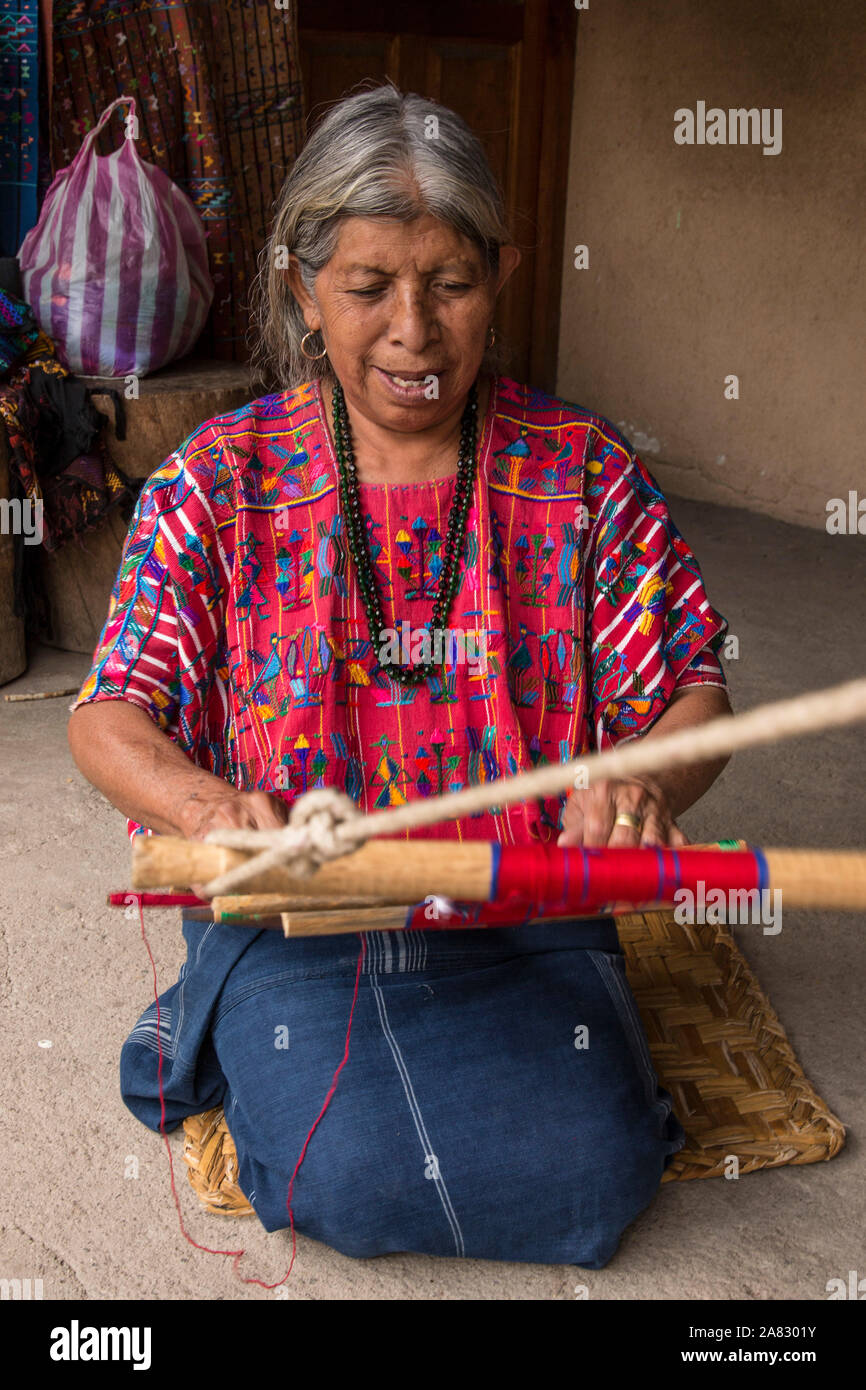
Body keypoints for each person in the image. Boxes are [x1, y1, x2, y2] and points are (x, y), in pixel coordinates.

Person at [68, 84, 731, 1268]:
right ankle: (235, 1011)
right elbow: (109, 712)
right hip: (305, 914)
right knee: (351, 1170)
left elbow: (693, 691)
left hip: (523, 909)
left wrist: (643, 784)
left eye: (451, 283)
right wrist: (211, 813)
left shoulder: (581, 475)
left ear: (504, 272)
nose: (413, 332)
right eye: (369, 287)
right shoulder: (219, 481)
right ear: (300, 285)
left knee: (592, 1170)